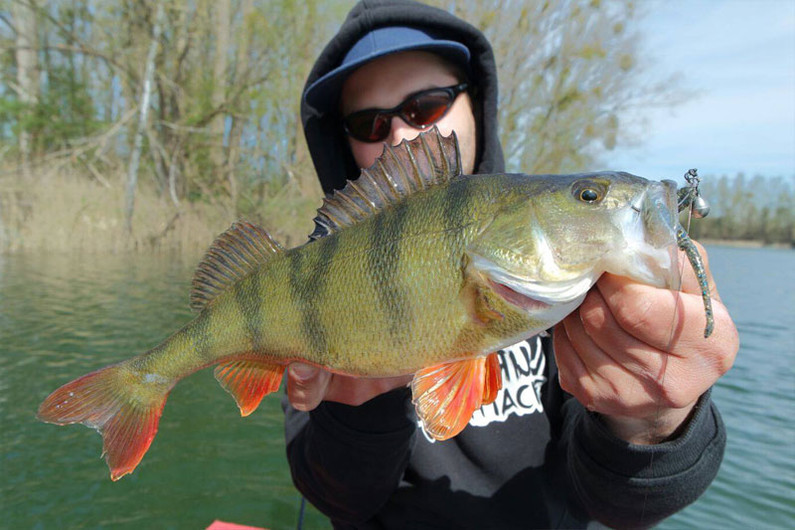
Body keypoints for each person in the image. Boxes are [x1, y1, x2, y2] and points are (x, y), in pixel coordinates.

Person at [282, 1, 739, 528]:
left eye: (426, 107)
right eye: (369, 123)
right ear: (343, 141)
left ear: (477, 104)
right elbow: (335, 497)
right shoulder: (311, 277)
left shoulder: (576, 279)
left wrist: (654, 420)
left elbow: (621, 506)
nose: (401, 136)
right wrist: (354, 412)